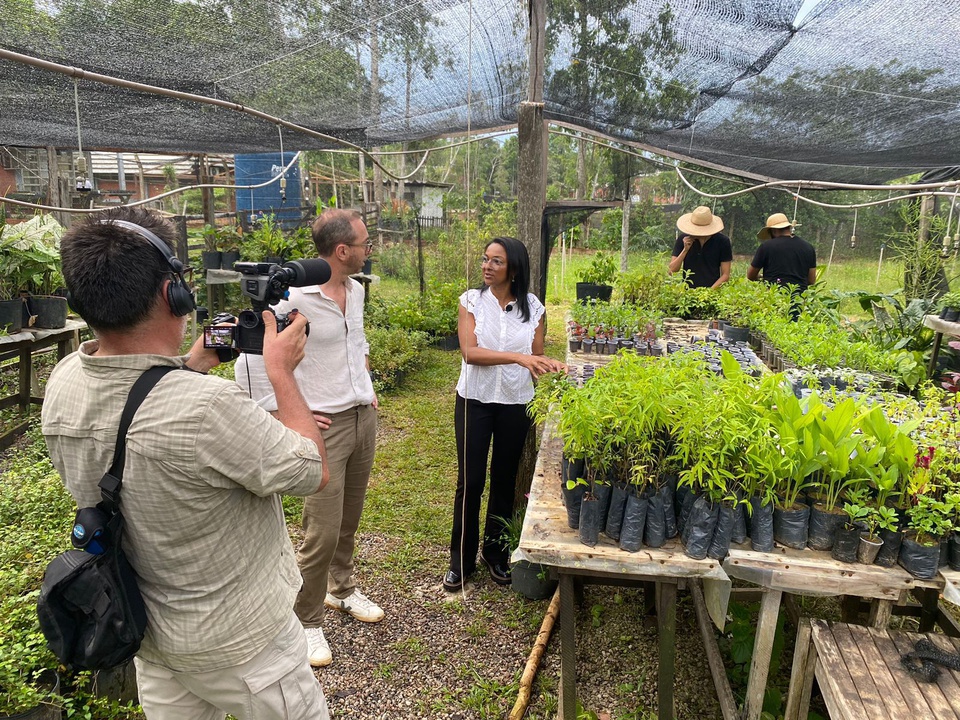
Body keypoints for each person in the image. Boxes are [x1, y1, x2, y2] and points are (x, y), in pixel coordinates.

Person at [41, 207, 330, 720]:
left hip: (150, 639)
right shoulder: (206, 409)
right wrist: (281, 372)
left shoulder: (62, 381)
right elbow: (309, 470)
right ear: (171, 293)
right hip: (245, 648)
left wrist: (190, 366)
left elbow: (137, 409)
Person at [236, 209, 381, 669]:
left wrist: (367, 387)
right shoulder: (291, 301)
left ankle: (343, 589)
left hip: (362, 418)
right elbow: (252, 365)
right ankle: (306, 620)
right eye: (364, 242)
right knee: (320, 530)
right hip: (325, 430)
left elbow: (356, 344)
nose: (368, 248)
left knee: (348, 519)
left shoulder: (355, 290)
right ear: (342, 251)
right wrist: (281, 413)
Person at [443, 237, 566, 593]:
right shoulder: (471, 302)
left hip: (515, 402)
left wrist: (553, 367)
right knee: (470, 482)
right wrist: (519, 357)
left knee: (504, 480)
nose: (487, 266)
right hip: (475, 401)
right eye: (485, 259)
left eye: (496, 261)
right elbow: (469, 352)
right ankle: (460, 561)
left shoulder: (534, 308)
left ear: (513, 268)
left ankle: (494, 554)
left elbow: (536, 358)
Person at [747, 213, 817, 292]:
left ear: (773, 231)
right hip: (800, 300)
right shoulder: (808, 247)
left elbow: (751, 275)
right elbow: (811, 280)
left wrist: (760, 277)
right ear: (788, 227)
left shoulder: (766, 247)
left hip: (774, 299)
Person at [668, 205, 732, 288]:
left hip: (713, 293)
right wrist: (685, 250)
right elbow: (672, 270)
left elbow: (725, 275)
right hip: (688, 292)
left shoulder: (722, 241)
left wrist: (708, 293)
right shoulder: (683, 239)